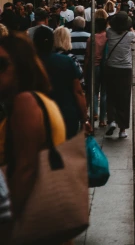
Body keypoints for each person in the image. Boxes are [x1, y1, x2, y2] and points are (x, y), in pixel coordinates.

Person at [0, 32, 67, 233]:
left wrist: (9, 230)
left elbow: (25, 170)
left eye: (2, 66)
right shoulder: (34, 100)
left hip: (28, 225)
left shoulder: (26, 103)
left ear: (21, 68)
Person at [33, 26, 88, 139]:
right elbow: (78, 92)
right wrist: (84, 119)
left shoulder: (30, 64)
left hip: (38, 117)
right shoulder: (67, 61)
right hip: (66, 115)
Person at [105, 12, 135, 139]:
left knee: (111, 95)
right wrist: (131, 28)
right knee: (124, 98)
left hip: (111, 68)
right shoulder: (130, 35)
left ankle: (111, 120)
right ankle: (122, 129)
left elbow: (108, 27)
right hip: (125, 69)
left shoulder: (109, 33)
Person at [85, 11, 108, 127]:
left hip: (94, 66)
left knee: (94, 91)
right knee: (104, 93)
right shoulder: (108, 38)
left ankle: (95, 113)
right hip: (105, 67)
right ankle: (103, 120)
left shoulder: (91, 38)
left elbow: (88, 55)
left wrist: (85, 68)